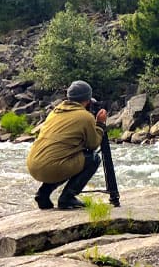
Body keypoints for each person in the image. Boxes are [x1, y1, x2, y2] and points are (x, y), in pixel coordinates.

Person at [27, 80, 108, 210]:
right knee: (93, 158)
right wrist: (100, 125)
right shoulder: (85, 117)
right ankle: (68, 197)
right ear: (87, 100)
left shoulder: (55, 112)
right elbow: (93, 145)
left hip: (34, 165)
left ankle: (43, 193)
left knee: (63, 158)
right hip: (53, 167)